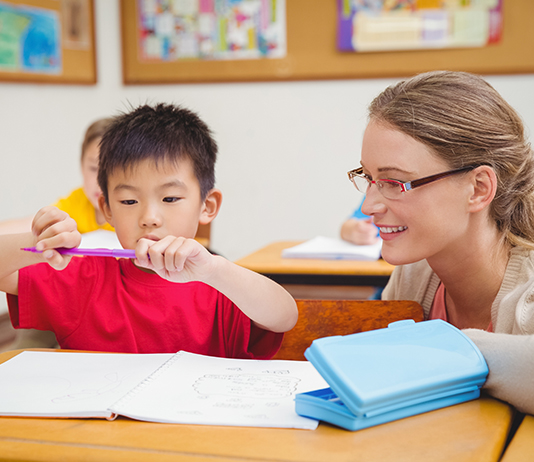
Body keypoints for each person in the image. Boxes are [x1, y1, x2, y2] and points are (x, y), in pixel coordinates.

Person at [0, 103, 298, 358]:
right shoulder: (85, 280)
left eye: (169, 198)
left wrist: (216, 271)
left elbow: (285, 317)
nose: (150, 217)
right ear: (107, 210)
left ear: (207, 206)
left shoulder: (221, 284)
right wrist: (37, 242)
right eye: (129, 200)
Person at [347, 70, 534, 415]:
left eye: (395, 182)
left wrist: (449, 348)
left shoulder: (528, 294)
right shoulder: (414, 275)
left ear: (478, 188)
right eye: (369, 178)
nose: (369, 205)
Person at [0, 118, 114, 235]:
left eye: (111, 171)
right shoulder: (76, 202)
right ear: (81, 165)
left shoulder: (130, 212)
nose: (100, 181)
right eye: (93, 168)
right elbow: (31, 225)